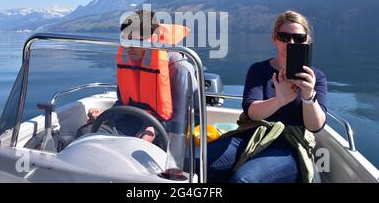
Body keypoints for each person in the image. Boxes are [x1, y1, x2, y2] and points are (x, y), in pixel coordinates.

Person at [206, 10, 327, 183]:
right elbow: (251, 113)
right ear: (275, 39)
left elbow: (315, 126)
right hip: (251, 133)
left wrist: (308, 95)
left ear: (307, 41)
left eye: (298, 38)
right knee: (199, 163)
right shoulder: (259, 70)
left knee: (244, 180)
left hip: (288, 144)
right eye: (284, 37)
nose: (291, 43)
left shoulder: (316, 78)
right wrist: (279, 100)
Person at [85, 10, 199, 146]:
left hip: (165, 131)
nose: (130, 47)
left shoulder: (180, 69)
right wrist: (106, 115)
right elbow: (123, 103)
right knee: (84, 134)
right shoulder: (129, 62)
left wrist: (155, 130)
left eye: (137, 40)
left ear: (154, 39)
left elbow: (184, 120)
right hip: (131, 124)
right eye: (126, 40)